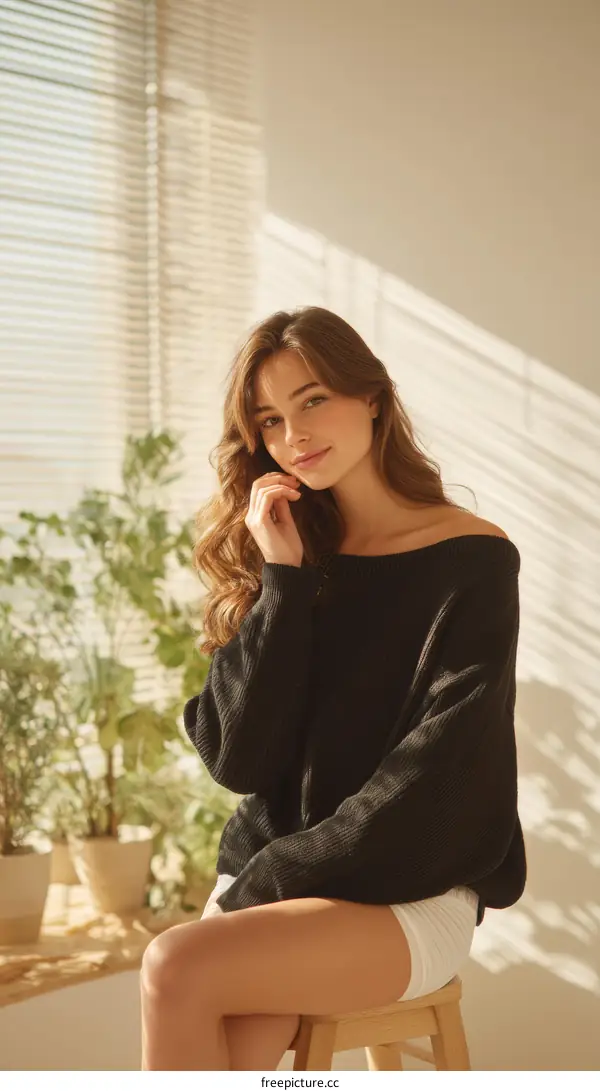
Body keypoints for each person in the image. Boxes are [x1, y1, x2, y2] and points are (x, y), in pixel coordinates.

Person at [140, 305, 526, 1071]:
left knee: (174, 964)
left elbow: (432, 775)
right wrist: (281, 582)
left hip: (405, 890)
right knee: (229, 1045)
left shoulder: (474, 562)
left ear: (371, 395)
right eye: (270, 420)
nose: (294, 434)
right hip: (274, 886)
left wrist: (274, 876)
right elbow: (239, 761)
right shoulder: (292, 552)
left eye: (312, 399)